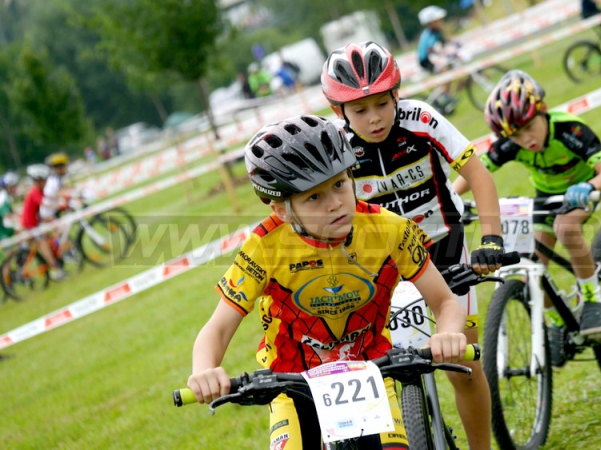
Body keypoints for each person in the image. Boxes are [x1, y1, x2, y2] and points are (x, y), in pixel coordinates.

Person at [187, 115, 468, 449]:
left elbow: (445, 302)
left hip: (372, 369)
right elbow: (218, 328)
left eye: (339, 184)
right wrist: (204, 370)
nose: (335, 204)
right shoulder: (264, 247)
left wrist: (448, 333)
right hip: (292, 381)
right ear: (282, 210)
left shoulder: (390, 229)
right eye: (314, 197)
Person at [321, 41, 503, 450]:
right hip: (379, 261)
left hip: (444, 246)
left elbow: (478, 175)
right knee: (374, 367)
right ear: (338, 111)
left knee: (462, 364)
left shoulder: (421, 118)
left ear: (396, 95)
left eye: (382, 104)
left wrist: (491, 240)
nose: (374, 118)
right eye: (359, 110)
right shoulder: (333, 144)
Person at [453, 70, 601, 367]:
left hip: (582, 190)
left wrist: (589, 186)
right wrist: (452, 199)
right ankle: (557, 321)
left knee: (565, 227)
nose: (525, 139)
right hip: (545, 197)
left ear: (543, 111)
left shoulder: (570, 130)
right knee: (531, 267)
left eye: (529, 127)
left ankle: (592, 298)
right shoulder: (511, 142)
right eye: (515, 135)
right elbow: (475, 170)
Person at [20, 164, 66, 281]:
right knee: (43, 244)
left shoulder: (39, 190)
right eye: (44, 180)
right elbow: (44, 203)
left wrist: (63, 198)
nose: (46, 183)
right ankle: (55, 268)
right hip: (31, 225)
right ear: (38, 181)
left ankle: (55, 260)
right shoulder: (34, 192)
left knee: (50, 237)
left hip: (36, 222)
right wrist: (59, 205)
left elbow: (50, 197)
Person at [417, 5, 458, 113]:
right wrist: (445, 52)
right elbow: (432, 49)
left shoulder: (436, 32)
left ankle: (446, 96)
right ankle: (445, 97)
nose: (441, 22)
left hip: (432, 58)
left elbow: (445, 43)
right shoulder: (429, 34)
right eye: (438, 20)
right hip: (426, 60)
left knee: (448, 72)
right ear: (431, 23)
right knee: (444, 71)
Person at [0, 172, 20, 240]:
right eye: (13, 186)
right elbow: (6, 214)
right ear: (8, 187)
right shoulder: (4, 197)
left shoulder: (5, 196)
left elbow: (11, 211)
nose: (16, 188)